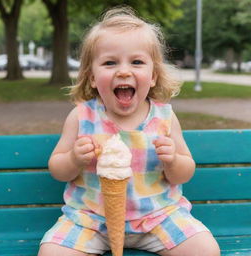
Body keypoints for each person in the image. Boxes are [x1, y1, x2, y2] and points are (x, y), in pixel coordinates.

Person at [38, 6, 220, 256]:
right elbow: (57, 169)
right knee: (51, 253)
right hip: (91, 220)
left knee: (205, 250)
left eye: (136, 62)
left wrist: (173, 160)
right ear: (92, 77)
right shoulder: (82, 116)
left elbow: (184, 172)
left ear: (153, 75)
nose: (123, 71)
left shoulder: (164, 116)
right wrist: (73, 159)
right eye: (110, 62)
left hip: (158, 217)